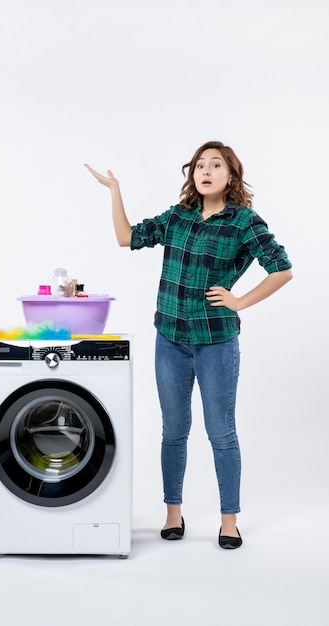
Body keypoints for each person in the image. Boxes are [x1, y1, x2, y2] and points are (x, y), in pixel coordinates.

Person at [84, 141, 293, 549]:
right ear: (191, 174)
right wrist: (114, 190)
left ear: (231, 176)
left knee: (221, 433)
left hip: (216, 342)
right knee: (174, 430)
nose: (206, 170)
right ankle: (173, 514)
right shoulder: (177, 217)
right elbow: (127, 238)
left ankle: (228, 521)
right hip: (170, 340)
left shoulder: (243, 222)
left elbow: (282, 269)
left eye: (216, 165)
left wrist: (239, 301)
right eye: (200, 164)